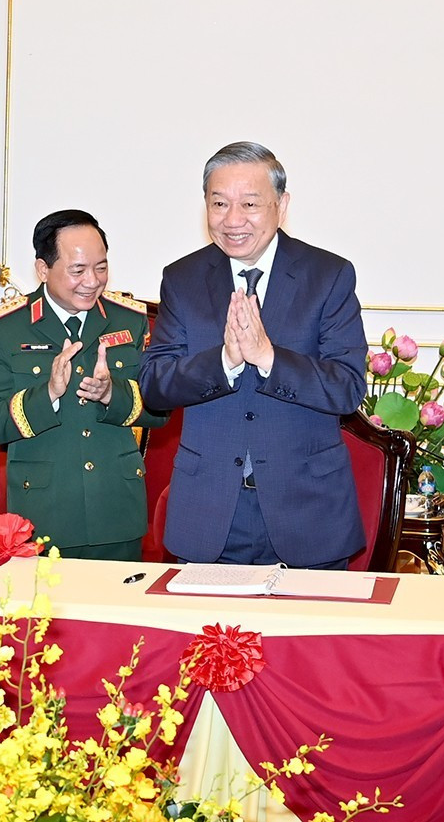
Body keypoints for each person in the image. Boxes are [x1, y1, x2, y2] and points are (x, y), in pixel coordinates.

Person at [140, 141, 368, 569]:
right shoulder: (183, 278)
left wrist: (268, 358)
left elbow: (347, 388)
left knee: (306, 638)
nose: (233, 220)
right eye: (219, 203)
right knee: (209, 637)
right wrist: (223, 361)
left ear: (281, 205)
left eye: (249, 204)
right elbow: (155, 386)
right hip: (210, 513)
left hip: (308, 510)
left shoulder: (329, 275)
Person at [0, 209, 163, 560]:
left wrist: (111, 394)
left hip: (116, 509)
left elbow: (160, 408)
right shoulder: (4, 328)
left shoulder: (130, 320)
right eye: (78, 270)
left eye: (101, 267)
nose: (92, 280)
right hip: (44, 514)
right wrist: (46, 395)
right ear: (43, 269)